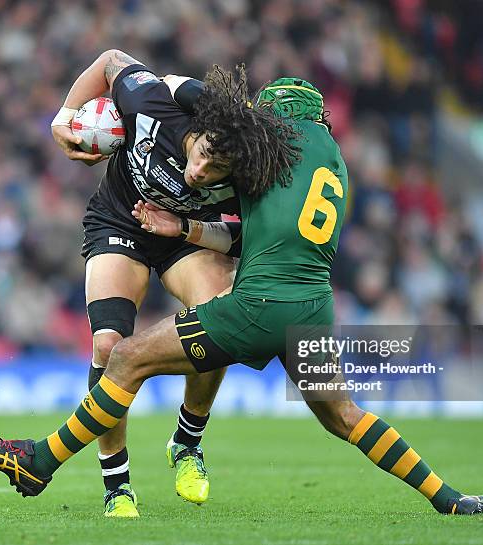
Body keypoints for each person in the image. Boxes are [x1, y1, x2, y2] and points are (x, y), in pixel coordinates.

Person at [0, 76, 483, 516]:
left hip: (258, 307)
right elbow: (256, 233)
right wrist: (184, 225)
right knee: (346, 416)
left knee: (126, 357)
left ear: (275, 117)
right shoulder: (333, 162)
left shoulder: (262, 154)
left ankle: (40, 463)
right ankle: (449, 498)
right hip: (313, 307)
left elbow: (236, 220)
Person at [45, 49, 299, 517]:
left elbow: (242, 242)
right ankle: (117, 485)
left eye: (214, 172)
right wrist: (63, 119)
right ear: (197, 131)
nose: (200, 172)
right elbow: (109, 60)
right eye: (202, 156)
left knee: (218, 317)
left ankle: (187, 442)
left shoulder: (250, 178)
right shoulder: (151, 106)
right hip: (119, 222)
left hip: (186, 238)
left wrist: (182, 228)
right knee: (107, 346)